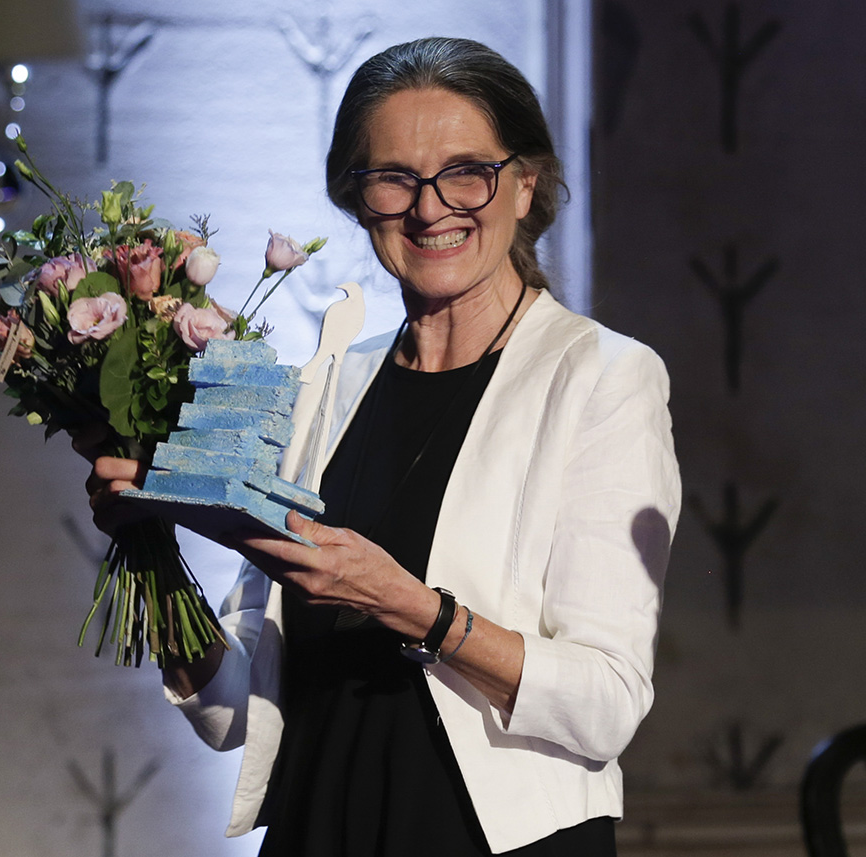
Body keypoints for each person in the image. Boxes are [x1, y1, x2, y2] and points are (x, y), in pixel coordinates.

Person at [80, 36, 680, 856]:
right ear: (358, 200)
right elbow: (231, 712)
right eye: (394, 177)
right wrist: (151, 543)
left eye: (466, 171)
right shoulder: (322, 387)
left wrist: (406, 604)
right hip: (318, 823)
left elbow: (606, 704)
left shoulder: (602, 376)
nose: (430, 209)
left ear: (525, 184)